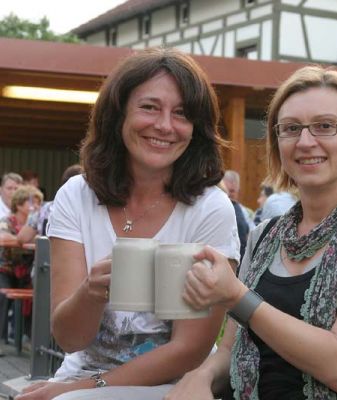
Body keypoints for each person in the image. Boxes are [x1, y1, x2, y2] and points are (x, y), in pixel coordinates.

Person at [17, 47, 240, 400]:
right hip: (82, 372)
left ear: (196, 129)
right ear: (117, 114)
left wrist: (79, 388)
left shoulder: (210, 208)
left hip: (175, 382)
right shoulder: (77, 195)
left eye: (181, 113)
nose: (164, 125)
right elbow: (69, 339)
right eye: (149, 107)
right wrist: (90, 293)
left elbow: (189, 350)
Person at [166, 65, 337, 400]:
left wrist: (237, 297)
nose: (305, 142)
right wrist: (201, 376)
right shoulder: (265, 236)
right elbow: (230, 350)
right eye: (290, 129)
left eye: (325, 126)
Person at [0, 185, 43, 355]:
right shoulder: (7, 220)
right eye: (32, 202)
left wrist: (24, 239)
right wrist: (23, 239)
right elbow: (2, 236)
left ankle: (29, 338)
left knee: (38, 293)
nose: (36, 206)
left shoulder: (37, 222)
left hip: (26, 271)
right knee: (2, 295)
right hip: (6, 269)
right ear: (18, 205)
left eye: (38, 203)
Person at [17, 164, 83, 244]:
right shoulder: (91, 210)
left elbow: (22, 238)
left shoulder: (44, 209)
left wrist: (43, 239)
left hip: (49, 251)